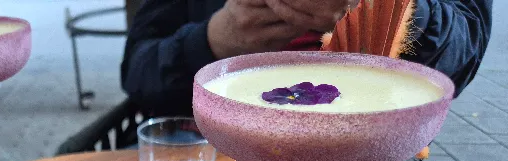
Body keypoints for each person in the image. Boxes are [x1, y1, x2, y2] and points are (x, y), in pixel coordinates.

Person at [122, 0, 493, 117]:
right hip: (208, 150)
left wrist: (385, 12)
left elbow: (463, 54)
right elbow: (139, 73)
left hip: (362, 154)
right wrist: (211, 42)